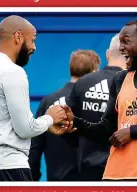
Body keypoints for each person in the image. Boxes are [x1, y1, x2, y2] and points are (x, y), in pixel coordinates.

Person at [61, 20, 137, 181]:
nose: (121, 48)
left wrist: (133, 131)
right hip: (114, 175)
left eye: (126, 41)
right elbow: (106, 130)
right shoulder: (120, 79)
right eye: (120, 43)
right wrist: (75, 122)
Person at [0, 15, 68, 182]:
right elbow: (26, 128)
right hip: (8, 168)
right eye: (33, 40)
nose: (34, 47)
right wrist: (50, 119)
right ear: (18, 37)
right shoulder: (12, 71)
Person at [28, 50, 101, 181]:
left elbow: (35, 146)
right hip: (93, 182)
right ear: (95, 72)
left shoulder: (48, 101)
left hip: (58, 182)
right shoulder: (99, 102)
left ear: (71, 69)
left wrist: (32, 179)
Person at [66, 34, 126, 181]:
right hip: (123, 168)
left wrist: (83, 145)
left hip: (88, 168)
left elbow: (66, 124)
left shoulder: (83, 82)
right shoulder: (133, 84)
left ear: (107, 53)